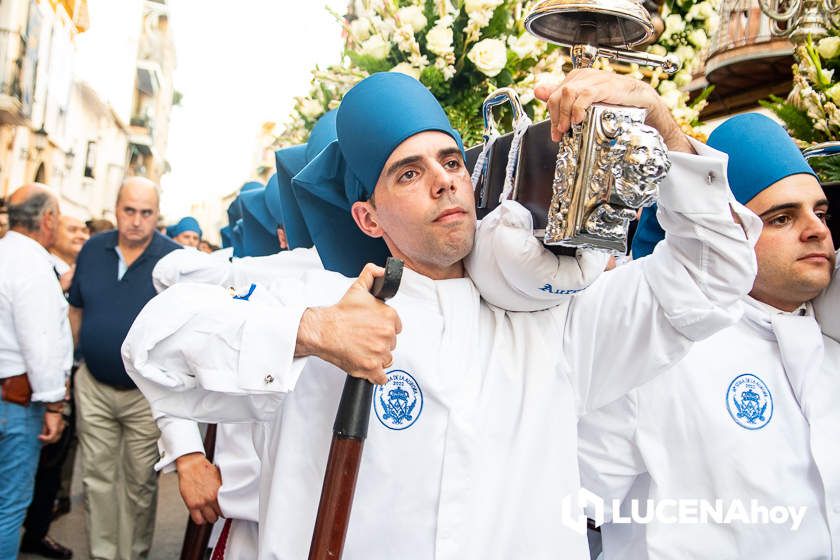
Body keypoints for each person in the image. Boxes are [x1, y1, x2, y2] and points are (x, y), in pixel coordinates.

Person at [121, 70, 757, 558]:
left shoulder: (556, 323)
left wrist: (663, 130)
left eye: (452, 162)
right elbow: (154, 344)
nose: (444, 181)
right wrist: (309, 333)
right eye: (408, 173)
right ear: (368, 218)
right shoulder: (318, 303)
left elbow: (715, 275)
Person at [571, 113, 840, 559]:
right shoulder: (660, 349)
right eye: (781, 219)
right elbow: (564, 509)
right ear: (728, 231)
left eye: (821, 212)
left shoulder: (832, 343)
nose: (817, 231)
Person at [68, 177, 180, 560]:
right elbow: (76, 308)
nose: (135, 220)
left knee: (139, 483)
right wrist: (74, 364)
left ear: (156, 214)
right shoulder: (92, 250)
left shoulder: (174, 260)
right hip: (94, 385)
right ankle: (102, 554)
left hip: (145, 394)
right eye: (128, 210)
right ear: (116, 208)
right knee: (96, 478)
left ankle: (132, 555)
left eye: (146, 213)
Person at [0, 184, 71, 558]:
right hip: (14, 402)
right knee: (9, 506)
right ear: (47, 219)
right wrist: (54, 406)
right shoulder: (32, 264)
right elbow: (40, 343)